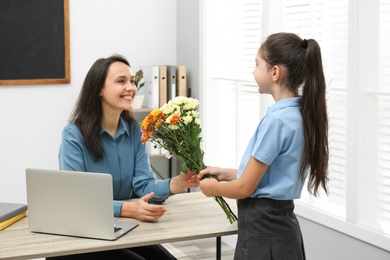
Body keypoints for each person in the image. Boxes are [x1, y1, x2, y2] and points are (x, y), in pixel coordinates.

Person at [198, 32, 329, 260]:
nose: (253, 71)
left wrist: (212, 189)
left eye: (257, 64)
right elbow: (271, 175)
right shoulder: (300, 114)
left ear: (275, 72)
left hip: (262, 233)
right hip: (285, 230)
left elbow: (244, 189)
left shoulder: (276, 121)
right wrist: (228, 174)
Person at [55, 54, 199, 259]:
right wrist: (127, 209)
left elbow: (142, 185)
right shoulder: (73, 135)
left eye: (132, 81)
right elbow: (78, 200)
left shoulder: (133, 131)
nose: (131, 87)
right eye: (121, 81)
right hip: (82, 234)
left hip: (120, 227)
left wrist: (174, 184)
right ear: (99, 90)